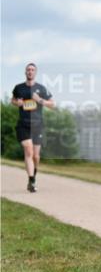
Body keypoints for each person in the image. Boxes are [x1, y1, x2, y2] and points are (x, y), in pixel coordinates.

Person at [10, 63, 55, 193]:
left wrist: (40, 100)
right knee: (28, 151)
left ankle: (33, 176)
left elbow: (53, 104)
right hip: (23, 125)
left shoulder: (41, 88)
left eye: (32, 70)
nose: (30, 72)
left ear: (35, 73)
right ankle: (32, 181)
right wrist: (16, 103)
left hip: (38, 126)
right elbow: (13, 100)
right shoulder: (19, 88)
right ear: (25, 72)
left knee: (36, 156)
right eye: (28, 70)